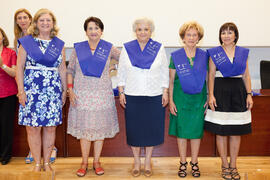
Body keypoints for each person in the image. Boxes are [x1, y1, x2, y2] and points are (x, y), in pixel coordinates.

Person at [67, 16, 120, 177]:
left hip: (102, 94)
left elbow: (125, 62)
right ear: (86, 32)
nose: (93, 31)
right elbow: (70, 71)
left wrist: (113, 67)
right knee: (85, 130)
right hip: (81, 93)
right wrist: (70, 90)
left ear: (101, 31)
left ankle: (96, 161)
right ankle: (84, 162)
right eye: (90, 28)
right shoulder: (78, 49)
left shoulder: (109, 48)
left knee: (99, 130)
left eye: (96, 28)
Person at [117, 18, 169, 177]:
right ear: (135, 31)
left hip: (154, 94)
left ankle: (147, 161)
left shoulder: (158, 48)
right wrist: (121, 91)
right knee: (135, 130)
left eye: (146, 29)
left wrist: (165, 91)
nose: (142, 32)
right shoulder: (127, 48)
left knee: (151, 129)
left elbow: (164, 71)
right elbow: (121, 72)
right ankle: (136, 161)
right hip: (133, 94)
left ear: (151, 31)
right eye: (139, 29)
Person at [16, 8, 66, 172]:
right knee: (33, 127)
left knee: (51, 127)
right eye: (42, 20)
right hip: (32, 90)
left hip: (52, 90)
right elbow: (19, 68)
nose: (45, 23)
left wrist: (64, 91)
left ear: (53, 24)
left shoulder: (59, 44)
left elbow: (62, 70)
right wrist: (21, 91)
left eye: (48, 20)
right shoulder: (27, 42)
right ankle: (38, 163)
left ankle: (47, 162)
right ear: (36, 22)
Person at [205, 22, 253, 180]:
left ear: (235, 35)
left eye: (229, 32)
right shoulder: (214, 53)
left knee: (235, 131)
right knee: (221, 131)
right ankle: (224, 165)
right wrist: (210, 94)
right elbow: (211, 75)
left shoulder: (242, 53)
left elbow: (246, 75)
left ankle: (233, 165)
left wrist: (249, 94)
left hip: (238, 92)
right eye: (223, 32)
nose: (226, 35)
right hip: (220, 92)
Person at [168, 21, 208, 178]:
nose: (191, 38)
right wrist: (171, 101)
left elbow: (208, 80)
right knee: (182, 132)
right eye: (188, 35)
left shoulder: (205, 56)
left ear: (198, 38)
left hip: (199, 100)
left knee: (196, 132)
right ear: (183, 38)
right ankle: (183, 163)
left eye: (194, 35)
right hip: (180, 99)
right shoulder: (176, 56)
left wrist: (208, 97)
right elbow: (170, 81)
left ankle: (195, 162)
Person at [0, 27, 17, 165]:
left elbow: (14, 73)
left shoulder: (10, 52)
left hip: (7, 93)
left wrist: (3, 66)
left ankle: (5, 155)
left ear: (3, 36)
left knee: (6, 126)